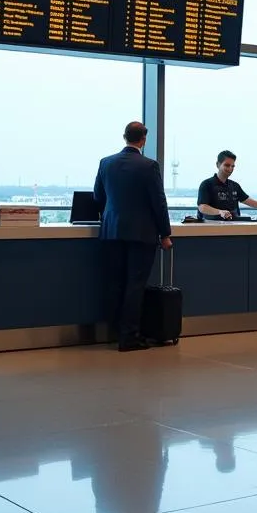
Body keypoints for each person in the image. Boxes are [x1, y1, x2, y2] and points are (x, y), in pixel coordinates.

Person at [93, 121, 172, 352]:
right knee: (135, 285)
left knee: (116, 283)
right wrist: (165, 233)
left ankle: (114, 333)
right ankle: (129, 337)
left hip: (112, 231)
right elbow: (159, 202)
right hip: (142, 233)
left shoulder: (106, 163)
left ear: (124, 137)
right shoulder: (149, 166)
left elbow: (98, 196)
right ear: (143, 140)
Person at [197, 150, 257, 220]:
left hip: (233, 226)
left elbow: (251, 202)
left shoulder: (235, 186)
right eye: (227, 165)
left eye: (232, 166)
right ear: (218, 165)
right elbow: (202, 207)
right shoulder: (207, 184)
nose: (230, 169)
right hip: (211, 226)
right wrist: (220, 212)